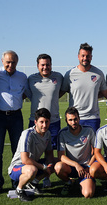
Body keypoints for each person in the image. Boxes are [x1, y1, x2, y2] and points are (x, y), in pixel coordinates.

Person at [0, 50, 29, 195]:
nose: (10, 65)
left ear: (17, 62)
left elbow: (25, 93)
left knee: (17, 151)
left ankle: (16, 181)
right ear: (2, 61)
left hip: (16, 117)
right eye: (8, 62)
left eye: (13, 62)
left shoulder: (22, 77)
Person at [27, 54, 64, 188]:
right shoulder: (31, 79)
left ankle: (46, 177)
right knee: (33, 153)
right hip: (34, 121)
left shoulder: (58, 77)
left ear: (51, 64)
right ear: (38, 66)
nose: (45, 67)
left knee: (50, 152)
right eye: (42, 65)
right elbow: (27, 94)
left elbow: (61, 92)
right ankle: (33, 176)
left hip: (53, 121)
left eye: (47, 64)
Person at [8, 108, 54, 202]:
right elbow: (25, 159)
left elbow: (49, 153)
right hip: (17, 167)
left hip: (33, 164)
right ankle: (19, 190)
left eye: (46, 122)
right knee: (32, 169)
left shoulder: (48, 134)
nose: (44, 125)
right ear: (35, 122)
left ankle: (33, 183)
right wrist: (44, 167)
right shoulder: (28, 134)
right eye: (41, 122)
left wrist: (49, 165)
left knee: (56, 163)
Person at [61, 43, 107, 133]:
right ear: (78, 56)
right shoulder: (70, 74)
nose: (85, 58)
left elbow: (105, 93)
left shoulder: (99, 74)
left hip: (93, 118)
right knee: (74, 146)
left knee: (93, 146)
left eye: (88, 56)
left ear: (91, 57)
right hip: (74, 118)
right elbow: (61, 92)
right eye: (83, 55)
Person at [55, 107, 96, 198]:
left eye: (75, 119)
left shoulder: (88, 130)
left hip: (86, 167)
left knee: (88, 194)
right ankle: (69, 182)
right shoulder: (62, 133)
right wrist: (76, 165)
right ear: (66, 120)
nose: (73, 122)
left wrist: (89, 166)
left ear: (79, 118)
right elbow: (61, 156)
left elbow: (96, 152)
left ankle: (87, 181)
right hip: (72, 167)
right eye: (70, 120)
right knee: (58, 167)